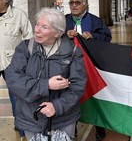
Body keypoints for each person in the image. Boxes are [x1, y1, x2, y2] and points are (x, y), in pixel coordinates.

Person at [4, 7, 87, 140]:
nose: (37, 30)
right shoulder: (25, 48)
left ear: (57, 33)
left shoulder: (72, 52)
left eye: (44, 27)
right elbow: (13, 78)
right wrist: (46, 85)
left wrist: (57, 106)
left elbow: (77, 86)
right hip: (31, 117)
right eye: (37, 24)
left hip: (63, 118)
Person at [65, 0, 112, 141]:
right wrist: (64, 35)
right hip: (69, 67)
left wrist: (93, 37)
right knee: (71, 97)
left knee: (95, 95)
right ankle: (72, 128)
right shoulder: (64, 20)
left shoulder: (95, 21)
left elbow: (107, 37)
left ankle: (100, 128)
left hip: (91, 66)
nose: (74, 5)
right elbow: (53, 36)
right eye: (71, 3)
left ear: (85, 5)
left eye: (77, 3)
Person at [0, 0, 33, 135]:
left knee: (16, 95)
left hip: (12, 63)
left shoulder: (19, 15)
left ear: (6, 0)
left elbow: (29, 38)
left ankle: (20, 125)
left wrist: (25, 59)